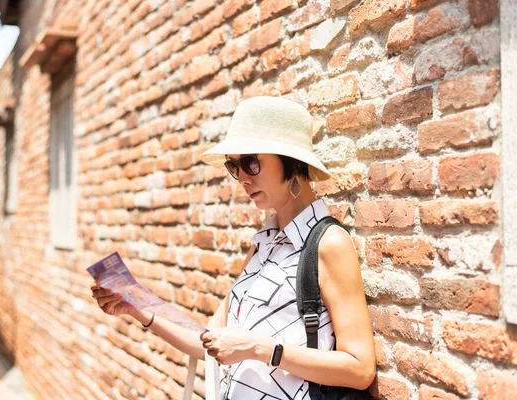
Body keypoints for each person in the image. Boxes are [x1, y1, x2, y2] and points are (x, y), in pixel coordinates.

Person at [92, 96, 376, 399]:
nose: (241, 178)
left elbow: (360, 369)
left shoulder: (327, 243)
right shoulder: (263, 244)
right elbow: (209, 340)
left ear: (293, 164)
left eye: (250, 163)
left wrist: (259, 348)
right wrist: (138, 308)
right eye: (233, 166)